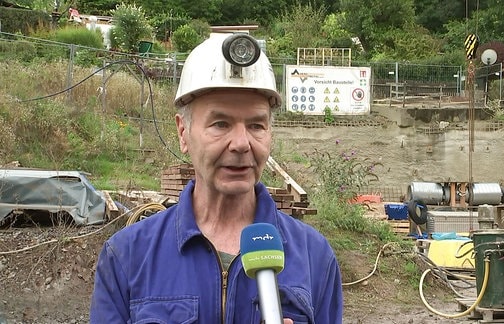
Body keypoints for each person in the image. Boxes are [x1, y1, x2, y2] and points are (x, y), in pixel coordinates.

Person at [90, 32, 343, 323]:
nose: (241, 143)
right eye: (221, 123)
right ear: (183, 133)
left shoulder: (315, 257)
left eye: (256, 125)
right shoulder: (127, 256)